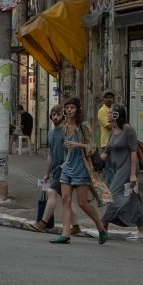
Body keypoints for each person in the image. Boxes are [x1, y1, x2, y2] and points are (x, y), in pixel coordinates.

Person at [50, 97, 108, 245]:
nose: (69, 110)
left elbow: (93, 147)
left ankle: (101, 228)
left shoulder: (83, 125)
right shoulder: (64, 127)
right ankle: (65, 234)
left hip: (82, 167)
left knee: (82, 202)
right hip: (67, 167)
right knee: (65, 200)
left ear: (77, 109)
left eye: (72, 107)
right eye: (67, 108)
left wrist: (78, 144)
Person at [99, 104, 143, 238]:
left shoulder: (128, 130)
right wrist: (92, 161)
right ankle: (142, 231)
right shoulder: (113, 131)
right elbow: (106, 152)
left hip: (127, 169)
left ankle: (103, 226)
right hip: (117, 168)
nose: (108, 114)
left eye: (110, 112)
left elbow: (133, 152)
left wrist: (133, 175)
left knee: (112, 196)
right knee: (134, 198)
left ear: (116, 115)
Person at [29, 105, 76, 234]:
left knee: (51, 192)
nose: (56, 117)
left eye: (58, 114)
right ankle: (76, 226)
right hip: (56, 171)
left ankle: (43, 223)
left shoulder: (66, 131)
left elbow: (70, 151)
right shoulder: (50, 133)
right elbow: (50, 154)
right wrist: (47, 173)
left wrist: (66, 165)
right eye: (53, 115)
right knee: (66, 198)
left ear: (63, 116)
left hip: (64, 168)